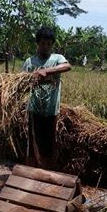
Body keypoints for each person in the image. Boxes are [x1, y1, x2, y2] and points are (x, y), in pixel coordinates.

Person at [23, 26, 71, 169]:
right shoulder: (30, 62)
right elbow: (23, 83)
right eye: (43, 43)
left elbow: (68, 66)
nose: (46, 47)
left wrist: (47, 71)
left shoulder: (57, 59)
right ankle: (32, 171)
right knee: (33, 143)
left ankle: (47, 172)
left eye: (49, 44)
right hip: (34, 109)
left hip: (51, 110)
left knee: (49, 143)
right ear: (38, 43)